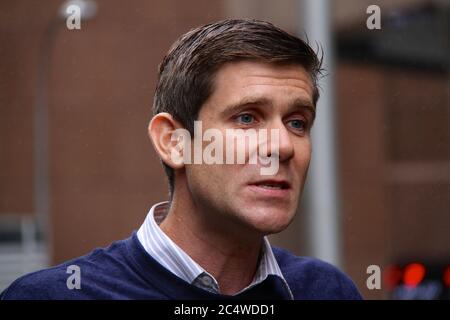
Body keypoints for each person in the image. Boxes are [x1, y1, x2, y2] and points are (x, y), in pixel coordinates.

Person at [1, 19, 362, 300]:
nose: (282, 146)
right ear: (174, 143)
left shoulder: (327, 290)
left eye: (297, 122)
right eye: (247, 118)